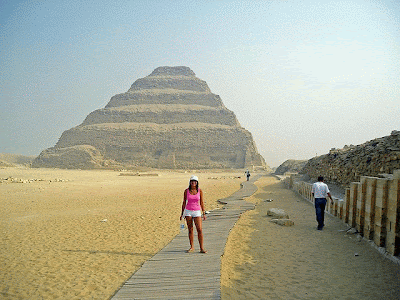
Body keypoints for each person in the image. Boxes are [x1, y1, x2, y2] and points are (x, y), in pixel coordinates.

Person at [180, 175, 207, 253]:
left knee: (199, 229)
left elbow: (201, 202)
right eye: (192, 181)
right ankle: (192, 247)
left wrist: (204, 213)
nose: (193, 183)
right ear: (190, 182)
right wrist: (182, 214)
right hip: (188, 211)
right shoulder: (186, 191)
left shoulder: (199, 191)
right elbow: (184, 202)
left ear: (197, 182)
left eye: (195, 181)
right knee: (190, 229)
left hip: (197, 211)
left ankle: (201, 248)